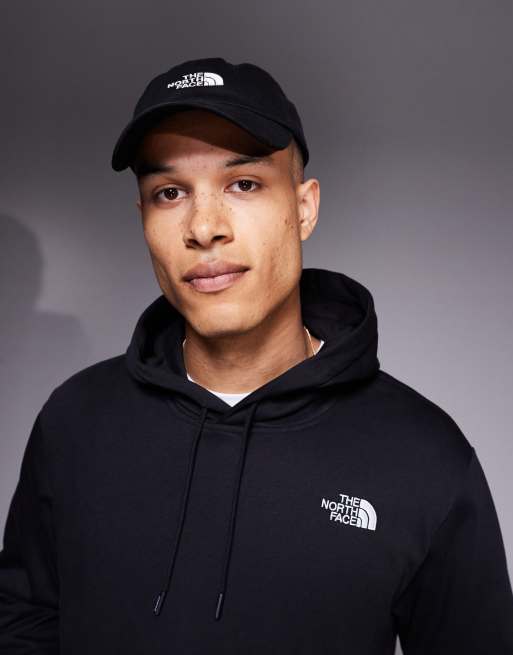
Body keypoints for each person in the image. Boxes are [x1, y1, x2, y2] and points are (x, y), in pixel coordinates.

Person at [1, 56, 512, 654]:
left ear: (304, 207)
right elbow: (23, 625)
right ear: (143, 219)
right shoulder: (74, 420)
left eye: (243, 184)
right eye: (169, 193)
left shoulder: (423, 453)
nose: (204, 227)